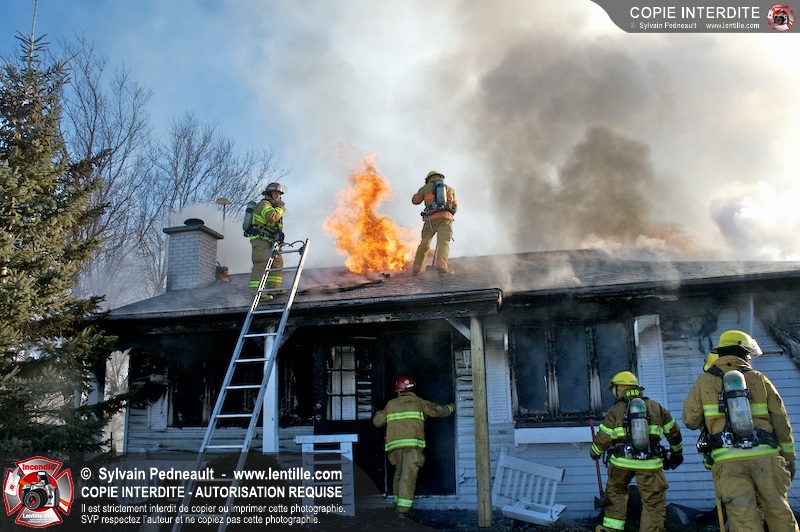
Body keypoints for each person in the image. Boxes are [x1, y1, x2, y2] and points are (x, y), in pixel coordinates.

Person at [682, 330, 798, 532]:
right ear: (744, 353)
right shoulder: (760, 379)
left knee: (743, 518)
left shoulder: (704, 382)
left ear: (721, 352)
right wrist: (789, 458)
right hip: (766, 457)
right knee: (779, 512)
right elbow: (781, 422)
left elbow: (690, 420)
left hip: (728, 460)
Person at [590, 371, 683, 532]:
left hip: (621, 463)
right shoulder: (656, 408)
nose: (614, 392)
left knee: (616, 494)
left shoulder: (615, 410)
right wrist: (676, 454)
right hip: (650, 464)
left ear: (621, 388)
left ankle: (611, 529)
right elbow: (674, 433)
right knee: (653, 502)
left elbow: (603, 438)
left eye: (614, 388)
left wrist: (594, 452)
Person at [372, 376, 454, 515]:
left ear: (398, 390)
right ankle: (404, 510)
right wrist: (452, 406)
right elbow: (439, 411)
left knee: (398, 475)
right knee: (408, 476)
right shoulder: (419, 403)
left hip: (394, 448)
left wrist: (380, 410)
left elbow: (377, 422)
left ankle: (397, 504)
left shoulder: (391, 404)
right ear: (413, 389)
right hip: (412, 447)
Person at [411, 171, 457, 275]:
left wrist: (416, 195)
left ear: (428, 179)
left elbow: (415, 201)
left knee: (425, 243)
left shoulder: (426, 188)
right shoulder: (450, 189)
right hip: (445, 219)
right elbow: (454, 207)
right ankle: (442, 266)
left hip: (430, 220)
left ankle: (416, 269)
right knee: (443, 242)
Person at [249, 182, 286, 296]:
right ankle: (256, 292)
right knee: (262, 262)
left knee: (277, 262)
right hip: (261, 241)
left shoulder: (274, 207)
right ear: (269, 194)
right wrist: (281, 208)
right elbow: (272, 217)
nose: (278, 196)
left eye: (279, 194)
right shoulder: (263, 204)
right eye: (275, 193)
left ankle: (273, 289)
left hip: (271, 241)